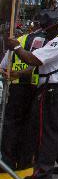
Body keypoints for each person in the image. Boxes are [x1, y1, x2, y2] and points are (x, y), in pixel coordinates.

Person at [5, 7, 58, 179]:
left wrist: (16, 46)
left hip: (56, 91)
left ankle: (42, 172)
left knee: (47, 131)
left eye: (47, 28)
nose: (45, 32)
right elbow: (48, 65)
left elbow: (34, 60)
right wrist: (20, 74)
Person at [0, 23, 45, 170]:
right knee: (30, 124)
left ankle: (8, 160)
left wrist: (9, 73)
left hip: (16, 87)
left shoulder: (18, 40)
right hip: (35, 87)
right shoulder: (47, 40)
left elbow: (3, 64)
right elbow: (37, 63)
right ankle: (24, 160)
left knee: (12, 124)